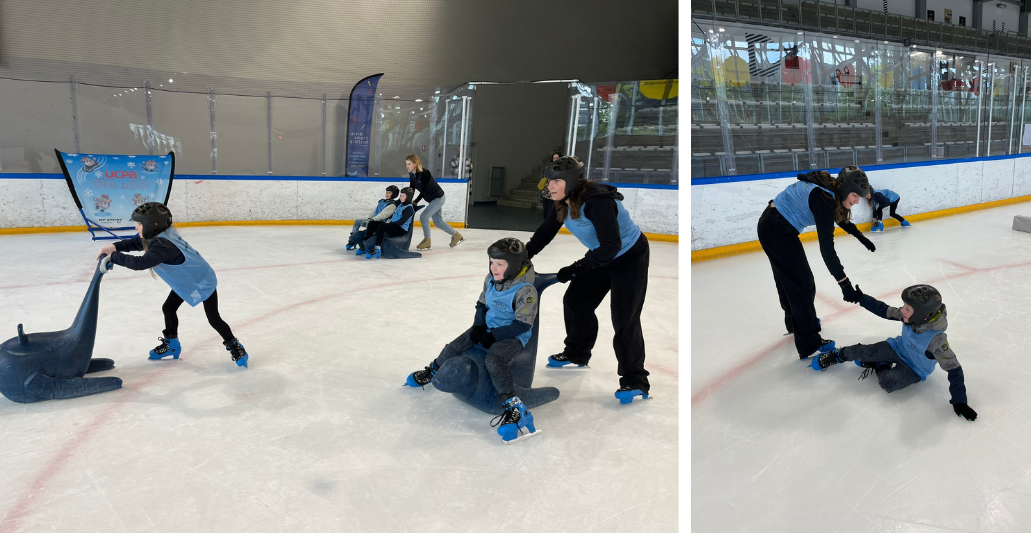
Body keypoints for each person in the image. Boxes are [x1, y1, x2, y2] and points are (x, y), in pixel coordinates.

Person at [525, 156, 651, 405]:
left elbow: (611, 245)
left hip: (629, 257)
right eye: (549, 181)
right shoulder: (560, 201)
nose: (550, 186)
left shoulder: (596, 202)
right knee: (576, 301)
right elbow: (545, 232)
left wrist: (575, 268)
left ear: (571, 181)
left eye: (556, 181)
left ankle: (635, 380)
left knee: (625, 318)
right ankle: (577, 353)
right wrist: (523, 256)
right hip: (602, 255)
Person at [406, 238, 541, 442]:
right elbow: (481, 305)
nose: (493, 268)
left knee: (494, 360)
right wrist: (479, 327)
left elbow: (523, 325)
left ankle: (515, 407)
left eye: (500, 264)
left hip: (513, 335)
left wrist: (493, 336)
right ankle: (434, 369)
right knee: (455, 345)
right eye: (492, 262)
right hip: (487, 327)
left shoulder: (526, 291)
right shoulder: (490, 279)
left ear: (513, 266)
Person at [96, 202, 249, 368]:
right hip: (187, 280)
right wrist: (113, 247)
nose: (136, 227)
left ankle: (234, 346)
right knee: (168, 308)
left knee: (213, 317)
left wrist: (114, 257)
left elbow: (141, 263)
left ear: (152, 225)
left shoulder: (163, 246)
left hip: (200, 281)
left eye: (139, 224)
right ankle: (172, 344)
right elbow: (137, 243)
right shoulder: (161, 235)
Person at [757, 166, 876, 360]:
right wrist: (845, 284)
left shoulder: (830, 191)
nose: (856, 201)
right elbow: (827, 250)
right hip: (777, 230)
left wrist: (860, 237)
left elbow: (838, 218)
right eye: (855, 195)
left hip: (772, 225)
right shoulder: (823, 198)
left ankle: (795, 323)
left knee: (788, 281)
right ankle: (809, 342)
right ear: (845, 190)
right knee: (803, 283)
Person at [810, 284, 977, 422]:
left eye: (907, 309)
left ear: (923, 316)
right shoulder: (911, 316)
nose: (902, 311)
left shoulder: (937, 341)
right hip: (897, 347)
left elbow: (954, 369)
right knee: (864, 351)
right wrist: (861, 298)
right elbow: (885, 310)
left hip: (915, 369)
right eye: (904, 306)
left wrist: (960, 401)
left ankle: (879, 363)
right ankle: (838, 355)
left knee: (887, 383)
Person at [407, 154, 464, 251]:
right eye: (406, 164)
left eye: (409, 164)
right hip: (432, 199)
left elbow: (424, 190)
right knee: (438, 222)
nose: (407, 166)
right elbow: (411, 189)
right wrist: (408, 200)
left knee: (423, 217)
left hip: (438, 198)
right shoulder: (412, 176)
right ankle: (456, 235)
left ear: (415, 164)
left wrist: (415, 202)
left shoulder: (425, 173)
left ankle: (427, 240)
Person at [362, 187, 416, 260]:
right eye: (401, 195)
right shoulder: (401, 204)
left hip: (400, 229)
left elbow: (402, 221)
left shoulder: (409, 208)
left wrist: (390, 223)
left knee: (382, 226)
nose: (401, 197)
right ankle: (367, 246)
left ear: (408, 197)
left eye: (403, 196)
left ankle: (377, 249)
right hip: (394, 225)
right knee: (372, 223)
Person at [346, 185, 399, 250]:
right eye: (386, 192)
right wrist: (370, 218)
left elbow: (383, 215)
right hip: (372, 220)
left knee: (369, 225)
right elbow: (374, 211)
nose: (387, 194)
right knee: (357, 221)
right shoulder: (382, 201)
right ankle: (353, 241)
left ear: (394, 194)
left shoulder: (392, 205)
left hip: (379, 223)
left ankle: (366, 244)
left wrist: (373, 220)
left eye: (389, 192)